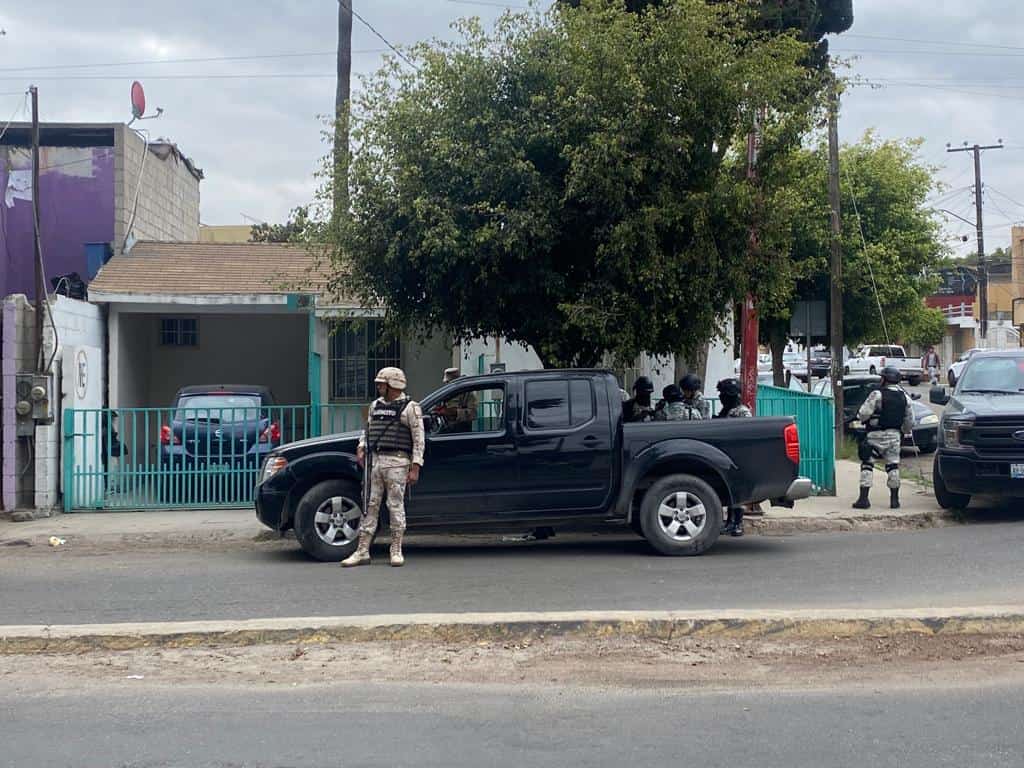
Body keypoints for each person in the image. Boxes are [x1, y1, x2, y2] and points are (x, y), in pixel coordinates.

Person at [342, 366, 425, 568]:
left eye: (382, 383)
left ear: (393, 385)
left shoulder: (410, 407)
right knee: (369, 506)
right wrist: (361, 446)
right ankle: (362, 551)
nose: (379, 387)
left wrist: (415, 467)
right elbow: (368, 430)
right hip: (375, 462)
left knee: (395, 506)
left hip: (397, 463)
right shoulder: (375, 406)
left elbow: (419, 439)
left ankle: (396, 550)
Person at [853, 366, 914, 510]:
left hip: (874, 435)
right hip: (894, 437)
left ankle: (863, 500)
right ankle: (894, 500)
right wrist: (905, 431)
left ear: (884, 379)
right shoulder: (905, 397)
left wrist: (861, 419)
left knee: (867, 464)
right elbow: (909, 422)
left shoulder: (877, 394)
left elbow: (863, 413)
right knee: (893, 466)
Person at [714, 378, 753, 535]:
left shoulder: (741, 412)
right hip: (726, 457)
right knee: (731, 492)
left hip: (739, 458)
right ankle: (730, 521)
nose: (722, 398)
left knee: (738, 494)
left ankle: (737, 523)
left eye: (725, 395)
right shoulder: (726, 411)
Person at [435, 367, 477, 433]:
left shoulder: (467, 393)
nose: (447, 384)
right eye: (446, 382)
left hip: (461, 432)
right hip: (447, 429)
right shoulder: (445, 393)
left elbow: (473, 413)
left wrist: (455, 412)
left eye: (449, 382)